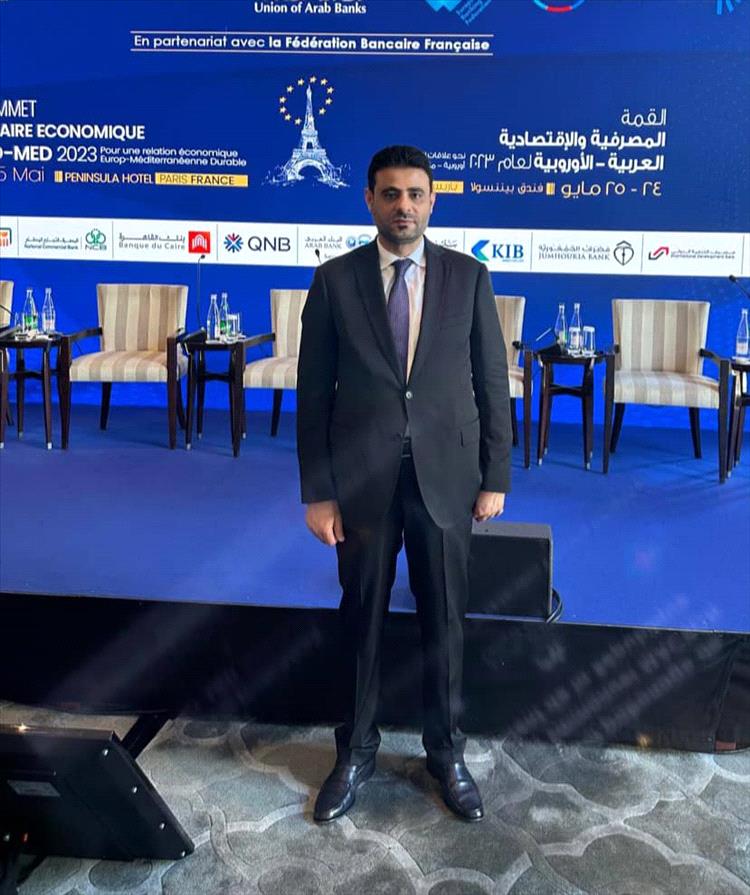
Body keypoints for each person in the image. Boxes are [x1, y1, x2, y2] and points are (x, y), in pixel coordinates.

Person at [297, 145, 512, 823]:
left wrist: (496, 475)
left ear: (432, 200)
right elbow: (313, 394)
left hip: (448, 478)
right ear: (369, 199)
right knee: (360, 617)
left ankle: (446, 753)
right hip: (362, 481)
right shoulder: (334, 281)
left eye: (415, 194)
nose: (403, 206)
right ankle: (355, 752)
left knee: (445, 620)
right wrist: (318, 492)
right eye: (390, 194)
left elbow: (491, 382)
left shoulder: (468, 277)